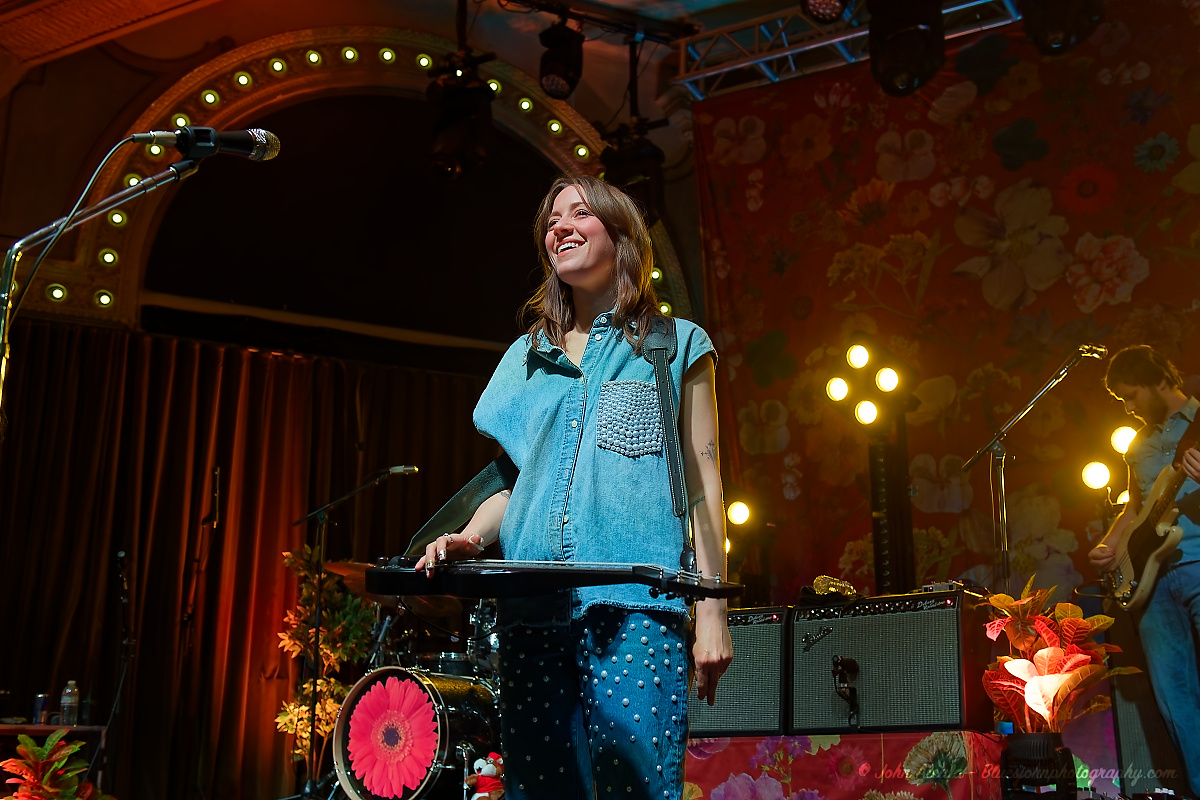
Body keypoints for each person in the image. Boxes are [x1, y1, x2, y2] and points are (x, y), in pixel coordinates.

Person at [414, 174, 733, 800]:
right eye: (550, 220)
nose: (559, 225)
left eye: (579, 212)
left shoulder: (675, 345)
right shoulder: (524, 359)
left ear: (621, 234)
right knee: (539, 792)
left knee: (634, 791)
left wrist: (713, 612)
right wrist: (472, 538)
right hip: (532, 614)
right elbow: (517, 486)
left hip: (634, 608)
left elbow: (703, 485)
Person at [1089, 345, 1200, 795]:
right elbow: (1136, 507)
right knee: (1175, 700)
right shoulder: (1136, 445)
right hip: (1151, 582)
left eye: (1131, 396)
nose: (1129, 407)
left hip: (1198, 563)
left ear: (1158, 381)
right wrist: (1110, 543)